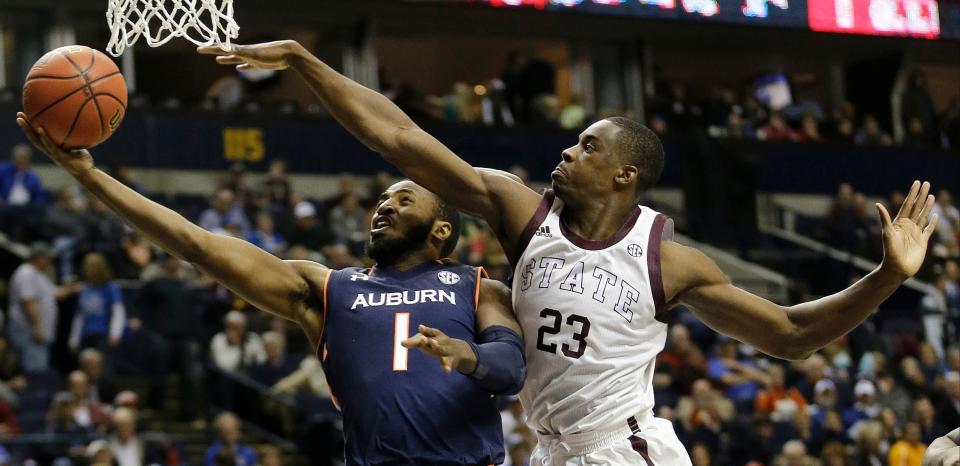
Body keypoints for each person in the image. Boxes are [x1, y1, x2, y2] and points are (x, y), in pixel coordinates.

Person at [207, 40, 941, 465]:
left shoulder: (666, 259)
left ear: (625, 173)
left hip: (625, 451)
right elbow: (398, 138)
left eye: (588, 145)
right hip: (551, 451)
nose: (568, 147)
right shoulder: (523, 213)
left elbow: (789, 335)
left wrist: (885, 276)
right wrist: (306, 62)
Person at [15, 112, 525, 465]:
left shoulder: (477, 285)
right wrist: (89, 176)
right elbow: (198, 246)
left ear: (441, 230)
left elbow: (512, 370)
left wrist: (467, 356)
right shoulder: (326, 288)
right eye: (382, 201)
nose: (384, 207)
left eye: (405, 199)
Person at [7, 243, 77, 373]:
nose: (49, 262)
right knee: (35, 370)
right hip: (28, 331)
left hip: (36, 333)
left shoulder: (38, 275)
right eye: (47, 258)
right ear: (39, 258)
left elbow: (56, 293)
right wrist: (37, 326)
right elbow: (28, 301)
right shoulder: (26, 273)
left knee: (38, 367)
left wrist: (75, 288)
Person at [69, 253, 127, 352]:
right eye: (86, 266)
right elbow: (80, 316)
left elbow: (118, 312)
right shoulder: (85, 289)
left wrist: (115, 333)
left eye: (92, 267)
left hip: (103, 335)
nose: (88, 270)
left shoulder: (111, 287)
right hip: (86, 335)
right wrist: (74, 339)